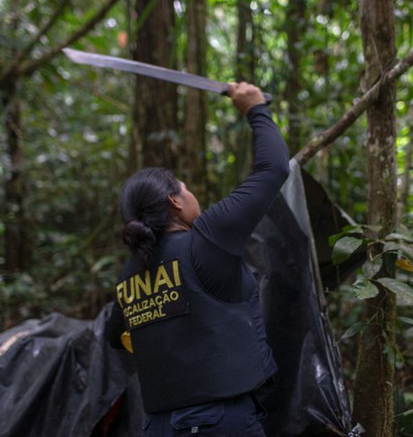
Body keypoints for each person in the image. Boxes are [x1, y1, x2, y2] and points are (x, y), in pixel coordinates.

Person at [105, 82, 290, 436]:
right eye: (185, 188)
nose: (191, 194)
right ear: (175, 201)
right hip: (222, 423)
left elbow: (116, 336)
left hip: (159, 427)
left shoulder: (129, 275)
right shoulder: (206, 239)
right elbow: (273, 170)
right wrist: (256, 109)